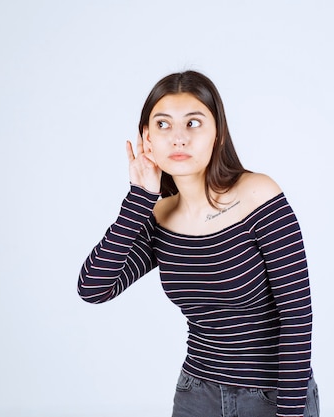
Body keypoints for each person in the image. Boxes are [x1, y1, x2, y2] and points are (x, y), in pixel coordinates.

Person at [78, 70, 319, 417]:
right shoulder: (159, 217)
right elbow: (93, 287)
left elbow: (297, 316)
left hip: (273, 395)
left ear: (217, 134)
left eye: (193, 124)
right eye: (163, 125)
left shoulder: (258, 195)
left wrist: (290, 413)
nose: (178, 138)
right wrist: (139, 199)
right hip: (196, 395)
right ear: (146, 139)